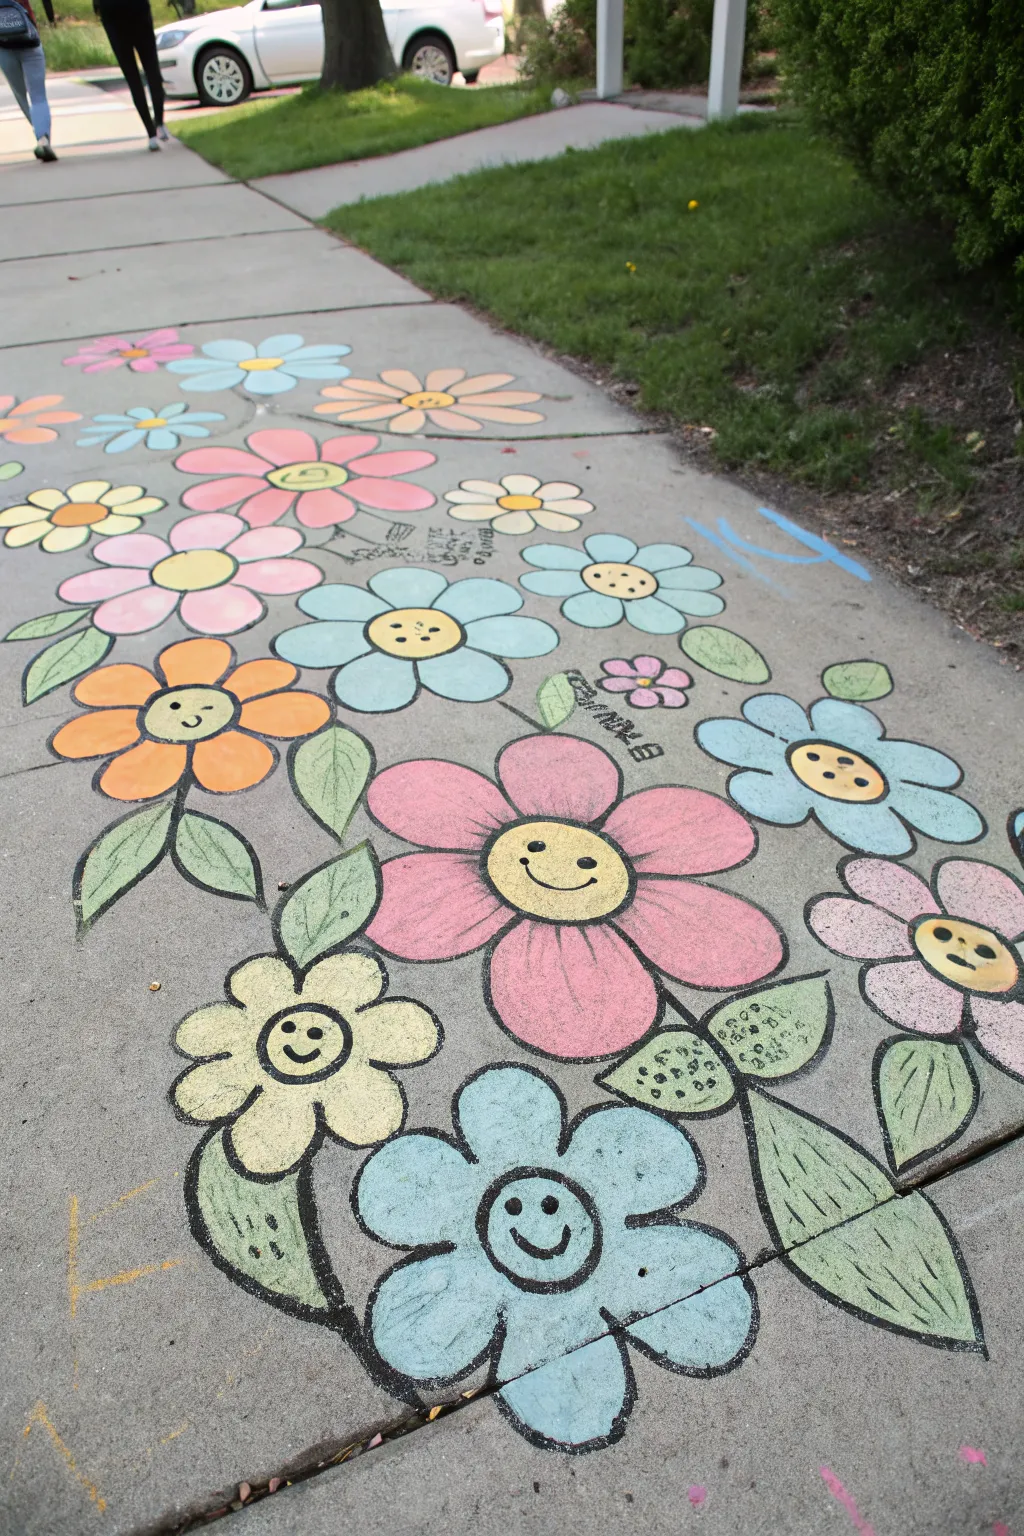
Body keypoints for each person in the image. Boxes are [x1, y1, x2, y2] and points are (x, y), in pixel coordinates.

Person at [93, 0, 168, 151]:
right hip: (137, 9)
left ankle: (151, 134)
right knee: (151, 68)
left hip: (111, 12)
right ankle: (159, 123)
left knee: (132, 77)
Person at [0, 0, 57, 162]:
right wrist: (51, 18)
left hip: (3, 46)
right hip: (29, 40)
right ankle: (43, 138)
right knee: (38, 95)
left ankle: (40, 134)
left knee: (21, 94)